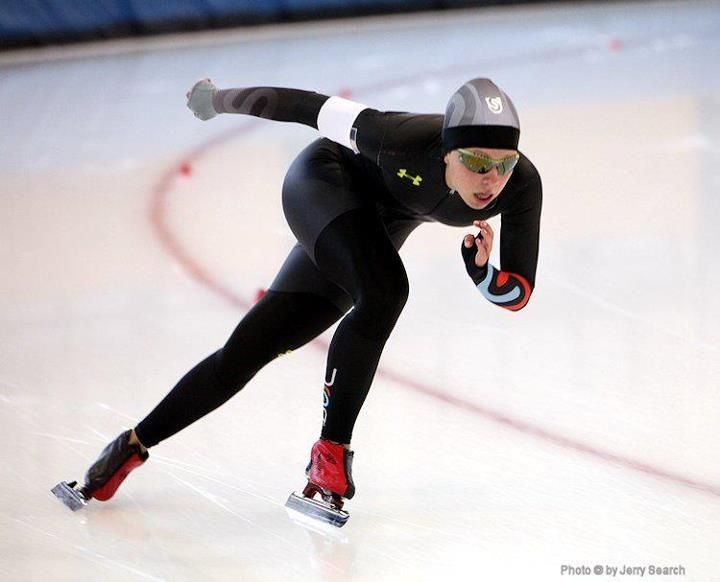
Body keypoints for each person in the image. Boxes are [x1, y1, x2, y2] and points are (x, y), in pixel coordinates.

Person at [52, 77, 542, 526]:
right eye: (478, 162)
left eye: (504, 164)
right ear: (446, 153)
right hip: (325, 184)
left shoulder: (521, 186)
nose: (491, 179)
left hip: (380, 226)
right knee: (386, 290)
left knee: (251, 348)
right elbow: (303, 105)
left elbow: (517, 292)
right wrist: (217, 100)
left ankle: (129, 446)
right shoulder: (394, 136)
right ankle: (331, 454)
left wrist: (481, 272)